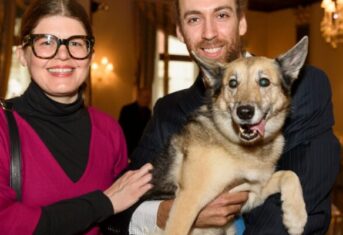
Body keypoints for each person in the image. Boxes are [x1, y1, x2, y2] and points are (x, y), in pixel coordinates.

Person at [124, 0, 341, 234]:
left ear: (242, 22)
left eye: (222, 15)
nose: (209, 33)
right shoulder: (168, 109)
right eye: (194, 19)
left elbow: (292, 213)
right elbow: (122, 204)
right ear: (180, 31)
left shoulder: (305, 88)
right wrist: (166, 211)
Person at [0, 0, 153, 234]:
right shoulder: (3, 127)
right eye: (46, 42)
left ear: (90, 56)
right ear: (22, 54)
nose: (63, 55)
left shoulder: (109, 130)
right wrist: (102, 204)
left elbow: (123, 218)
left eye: (76, 43)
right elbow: (7, 223)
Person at [119, 88, 152, 157]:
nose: (147, 100)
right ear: (138, 97)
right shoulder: (127, 109)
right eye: (145, 97)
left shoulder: (148, 111)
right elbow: (121, 128)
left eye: (149, 97)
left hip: (142, 146)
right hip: (129, 145)